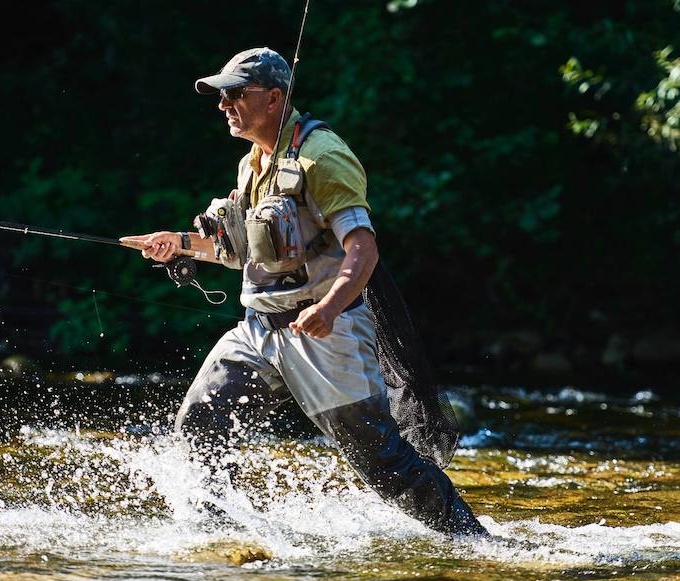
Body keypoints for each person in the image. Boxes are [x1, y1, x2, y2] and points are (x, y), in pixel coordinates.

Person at [122, 47, 487, 537]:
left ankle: (473, 542)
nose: (223, 104)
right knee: (199, 427)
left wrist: (330, 307)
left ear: (274, 99)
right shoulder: (252, 163)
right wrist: (180, 245)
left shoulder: (323, 156)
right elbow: (240, 252)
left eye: (235, 94)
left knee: (383, 465)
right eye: (221, 95)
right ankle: (220, 540)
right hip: (257, 331)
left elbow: (363, 247)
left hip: (323, 336)